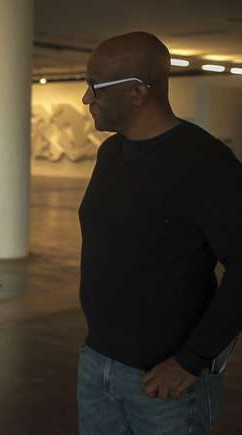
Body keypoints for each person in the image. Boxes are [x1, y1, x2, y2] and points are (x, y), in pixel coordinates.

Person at [77, 32, 242, 435]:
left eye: (94, 87)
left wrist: (192, 360)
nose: (86, 99)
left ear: (137, 92)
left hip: (163, 383)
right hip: (97, 363)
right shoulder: (111, 153)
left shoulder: (205, 163)